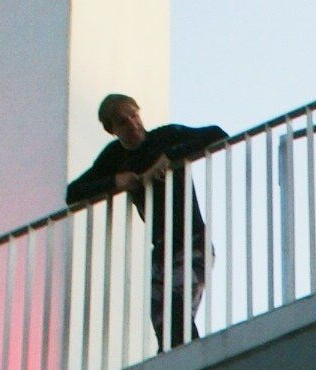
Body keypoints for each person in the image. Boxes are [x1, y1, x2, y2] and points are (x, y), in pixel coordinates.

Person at [66, 94, 230, 348]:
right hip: (162, 248)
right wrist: (115, 181)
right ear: (112, 130)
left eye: (134, 115)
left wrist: (169, 158)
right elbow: (73, 192)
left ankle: (191, 359)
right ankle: (179, 360)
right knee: (162, 318)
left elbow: (217, 134)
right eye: (123, 122)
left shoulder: (166, 137)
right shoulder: (114, 157)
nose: (132, 124)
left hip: (192, 239)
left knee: (176, 304)